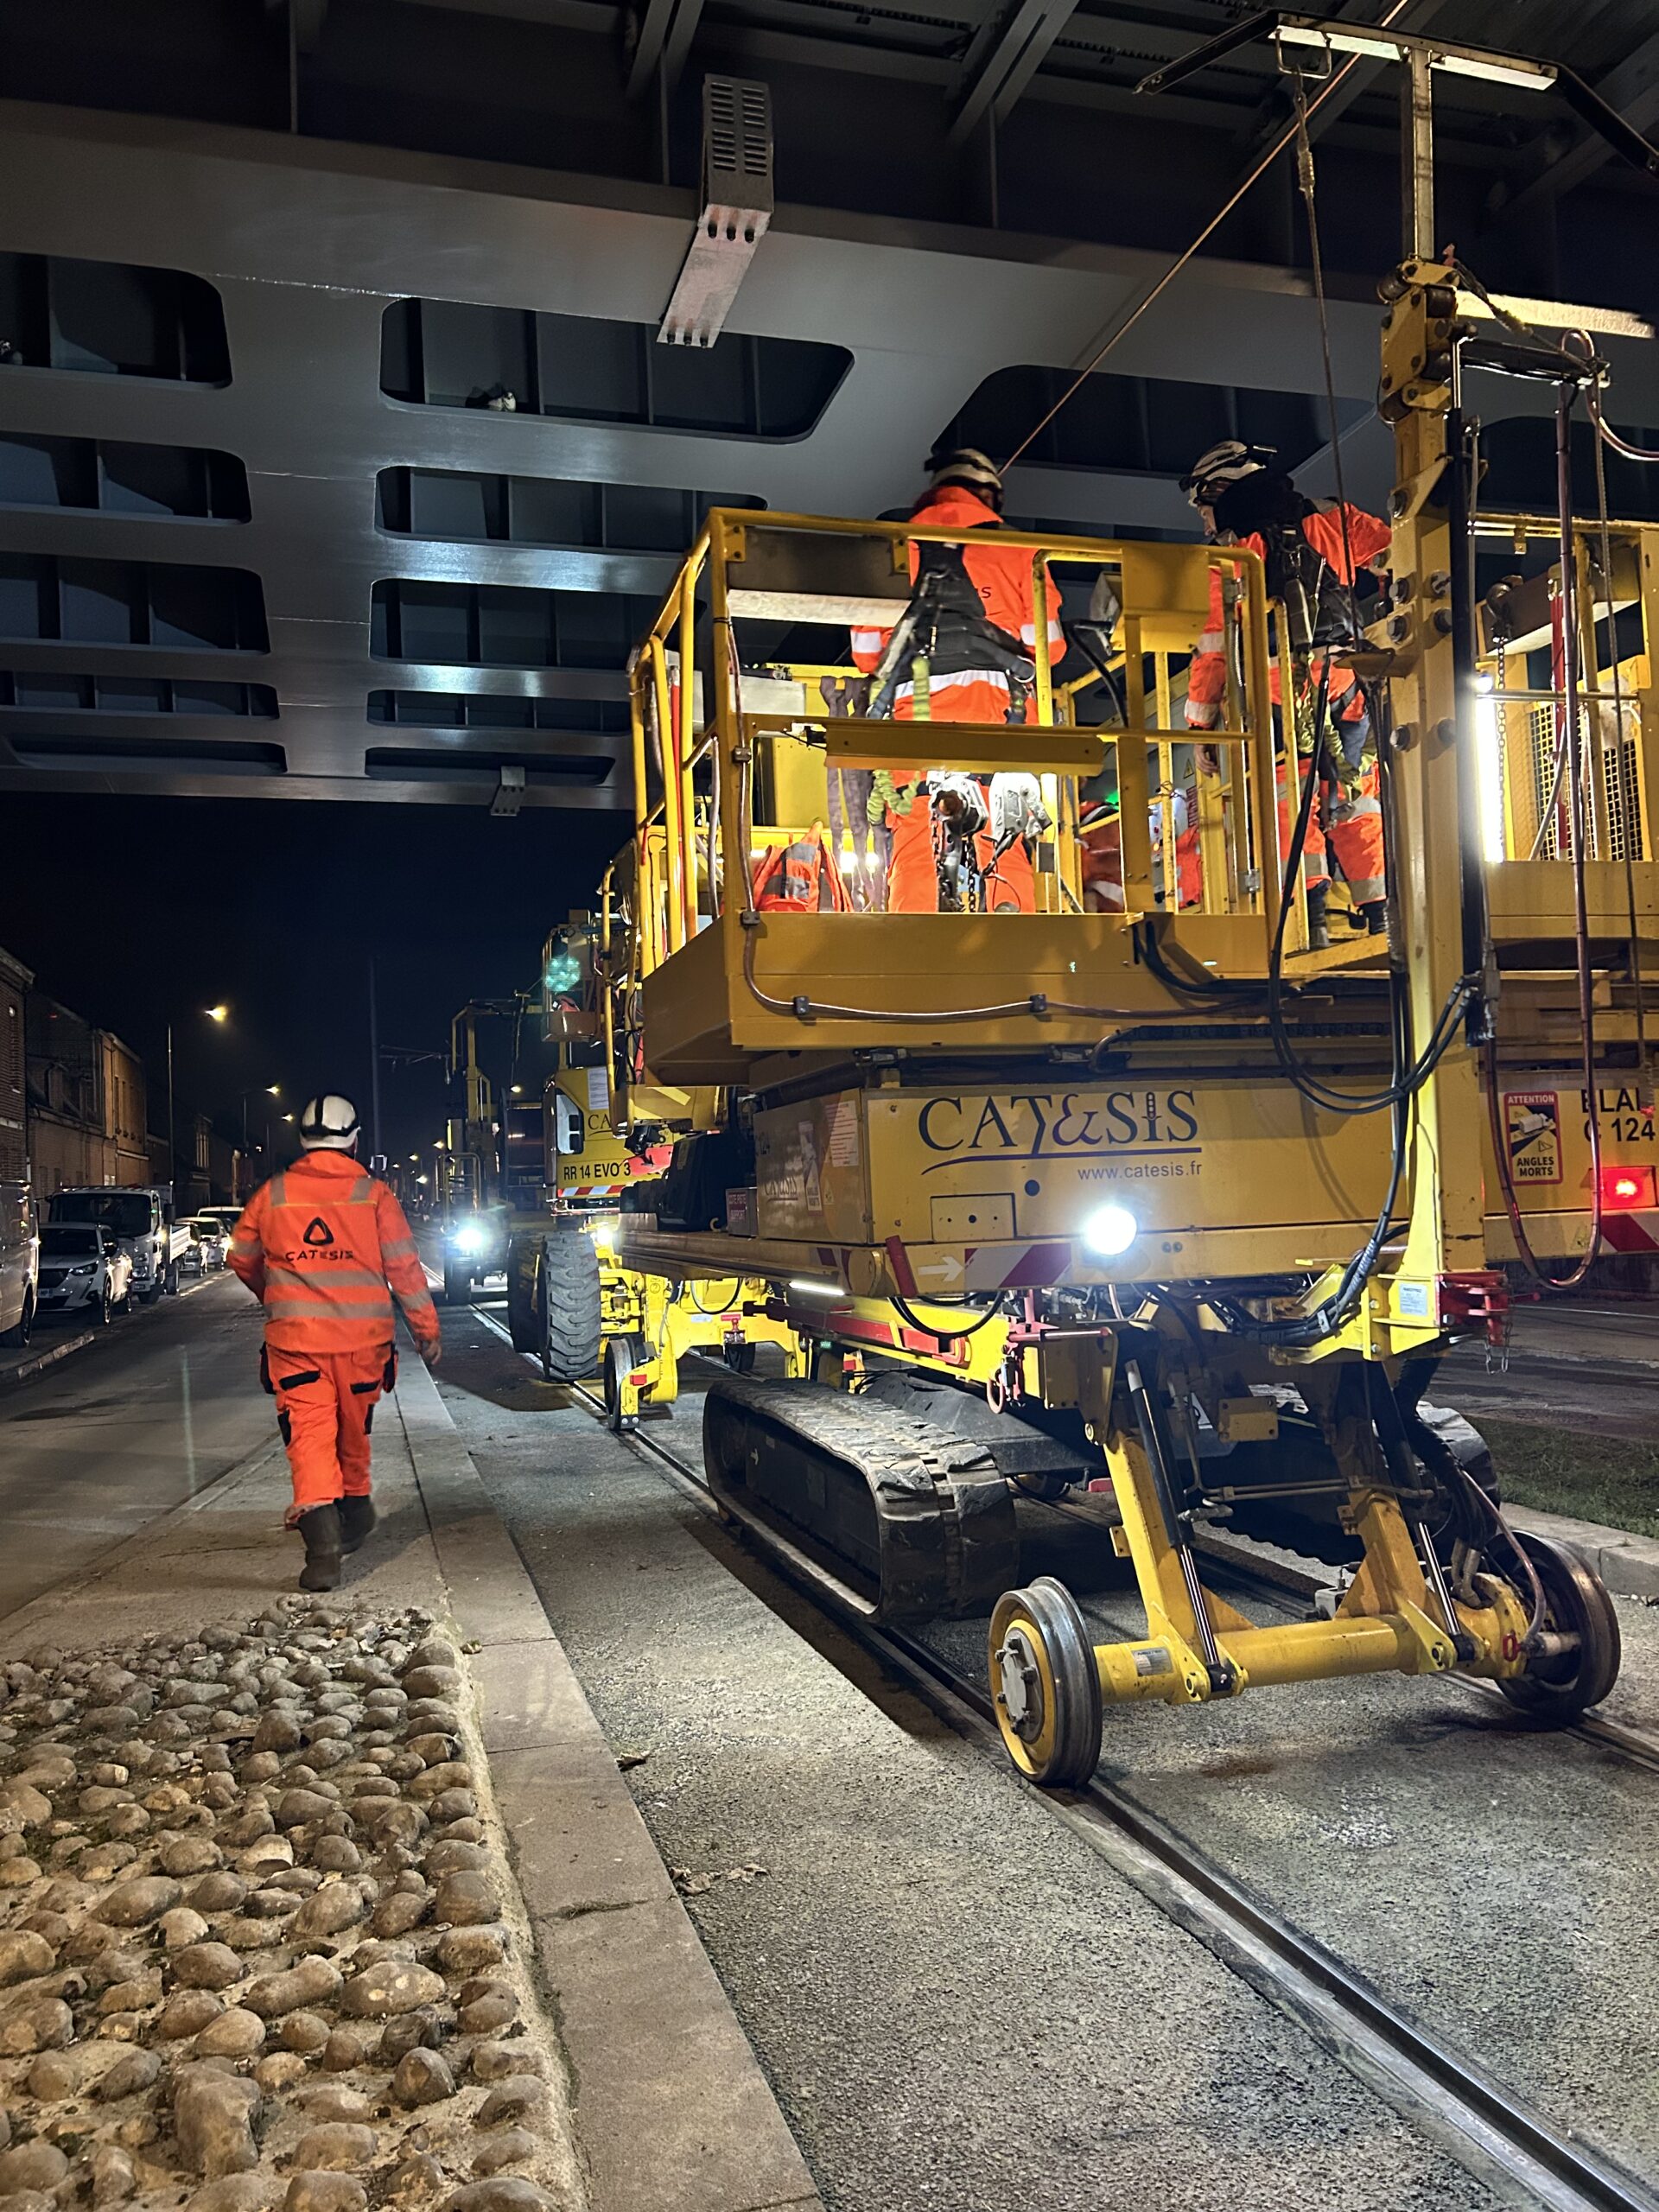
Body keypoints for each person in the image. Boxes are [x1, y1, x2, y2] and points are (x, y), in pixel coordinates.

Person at [228, 1094, 441, 1592]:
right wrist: (426, 1331)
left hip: (297, 1345)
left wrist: (274, 1294)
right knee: (353, 1430)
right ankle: (356, 1508)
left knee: (309, 1438)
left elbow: (241, 1257)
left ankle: (323, 1552)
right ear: (354, 1141)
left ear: (303, 1139)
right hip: (364, 1344)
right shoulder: (374, 1195)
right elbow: (405, 1271)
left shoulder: (273, 1194)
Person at [1179, 440, 1390, 942]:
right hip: (1345, 681)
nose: (1205, 523)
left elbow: (1213, 649)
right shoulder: (1329, 518)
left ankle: (1310, 925)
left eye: (1204, 508)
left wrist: (1200, 724)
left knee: (1288, 802)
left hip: (1278, 692)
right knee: (1354, 798)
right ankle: (1384, 920)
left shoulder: (1228, 553)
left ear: (1221, 489)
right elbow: (1394, 550)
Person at [850, 448, 1065, 912]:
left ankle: (914, 941)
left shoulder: (890, 547)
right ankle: (1015, 937)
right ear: (990, 495)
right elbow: (1049, 647)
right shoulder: (1022, 549)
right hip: (997, 722)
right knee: (1002, 835)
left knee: (914, 840)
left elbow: (866, 655)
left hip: (913, 725)